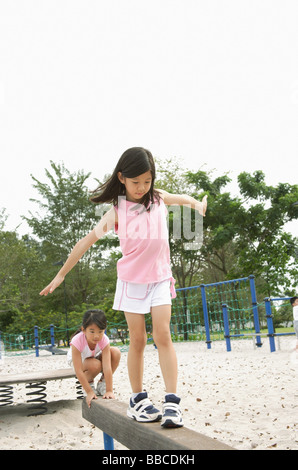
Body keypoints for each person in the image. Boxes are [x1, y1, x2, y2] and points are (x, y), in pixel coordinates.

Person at [40, 147, 207, 428]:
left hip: (160, 278)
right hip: (131, 283)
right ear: (122, 177)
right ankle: (138, 400)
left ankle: (172, 402)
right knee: (138, 340)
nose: (142, 187)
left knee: (163, 334)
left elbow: (184, 200)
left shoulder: (158, 197)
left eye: (147, 180)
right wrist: (60, 276)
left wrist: (198, 206)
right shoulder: (116, 211)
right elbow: (84, 243)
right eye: (135, 182)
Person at [67, 309, 121, 407]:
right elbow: (78, 371)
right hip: (79, 362)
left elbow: (107, 366)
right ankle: (89, 383)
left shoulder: (104, 339)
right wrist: (89, 392)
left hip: (93, 357)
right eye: (92, 331)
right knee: (95, 365)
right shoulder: (77, 340)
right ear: (84, 329)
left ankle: (102, 384)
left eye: (100, 331)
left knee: (115, 352)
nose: (96, 336)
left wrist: (109, 390)